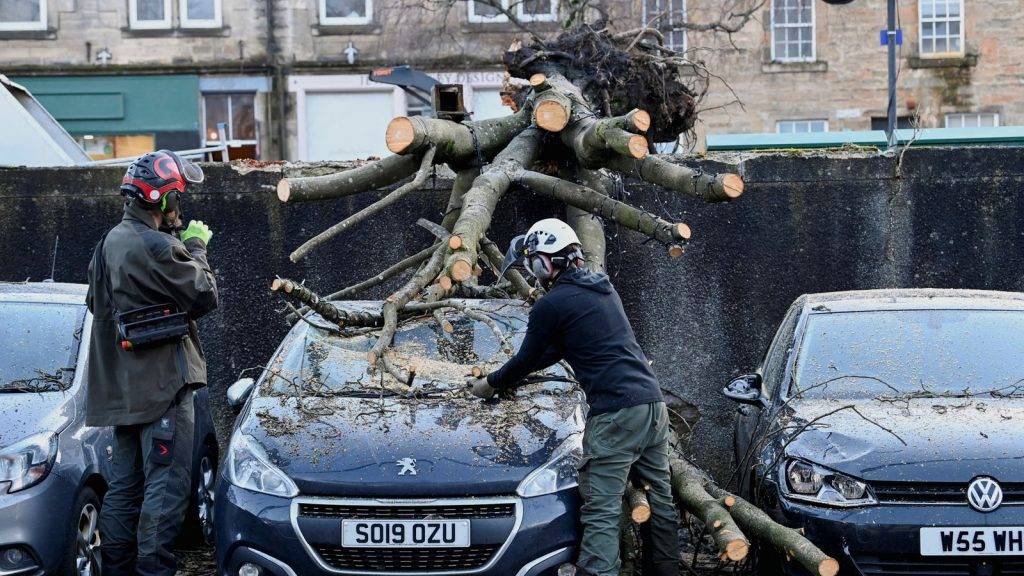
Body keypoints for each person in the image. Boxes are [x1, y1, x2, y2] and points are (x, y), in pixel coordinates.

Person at [467, 218, 680, 576]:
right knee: (660, 502)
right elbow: (556, 351)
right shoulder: (603, 290)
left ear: (544, 263)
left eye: (532, 262)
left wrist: (491, 382)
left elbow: (527, 358)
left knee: (601, 506)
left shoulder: (551, 306)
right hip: (653, 406)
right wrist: (515, 374)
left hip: (615, 413)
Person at [85, 150, 218, 576]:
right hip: (164, 390)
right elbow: (204, 294)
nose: (181, 205)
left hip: (125, 394)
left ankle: (117, 570)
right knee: (165, 491)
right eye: (178, 195)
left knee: (124, 490)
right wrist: (195, 246)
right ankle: (153, 571)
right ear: (163, 198)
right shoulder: (160, 246)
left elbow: (96, 303)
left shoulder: (107, 244)